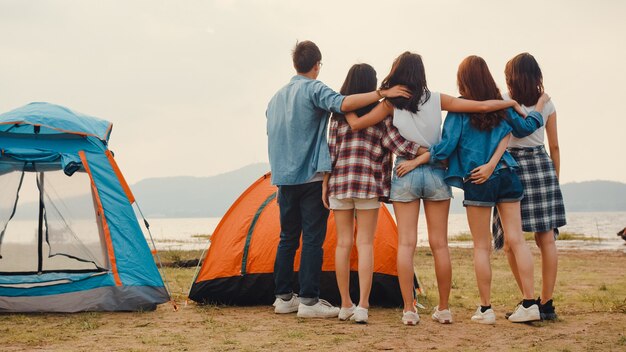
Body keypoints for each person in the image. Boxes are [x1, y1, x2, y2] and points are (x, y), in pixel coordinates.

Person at [345, 52, 525, 325]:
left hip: (406, 170)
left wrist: (360, 102)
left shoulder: (390, 104)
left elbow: (357, 123)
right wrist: (508, 101)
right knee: (440, 245)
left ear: (397, 72)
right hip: (437, 171)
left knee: (406, 244)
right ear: (422, 73)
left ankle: (409, 310)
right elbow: (480, 107)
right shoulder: (437, 99)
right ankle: (443, 309)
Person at [397, 55, 549, 324]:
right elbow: (527, 127)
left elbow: (444, 148)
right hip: (508, 173)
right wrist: (539, 105)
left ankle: (486, 309)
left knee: (482, 246)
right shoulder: (502, 106)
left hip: (477, 179)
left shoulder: (460, 111)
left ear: (462, 81)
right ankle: (530, 303)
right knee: (517, 239)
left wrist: (418, 159)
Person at [266, 40, 410, 318]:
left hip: (284, 178)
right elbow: (343, 104)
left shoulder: (275, 98)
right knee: (312, 239)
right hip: (310, 178)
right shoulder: (314, 88)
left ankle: (283, 298)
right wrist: (382, 93)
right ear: (317, 65)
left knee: (287, 238)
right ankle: (309, 301)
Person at [322, 63, 423, 324]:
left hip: (340, 185)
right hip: (368, 185)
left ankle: (345, 304)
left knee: (343, 243)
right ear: (372, 85)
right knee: (365, 243)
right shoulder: (381, 115)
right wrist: (426, 151)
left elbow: (329, 153)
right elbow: (397, 144)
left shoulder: (337, 117)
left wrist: (325, 184)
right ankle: (363, 306)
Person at [492, 52, 566, 321]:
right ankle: (546, 304)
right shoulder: (546, 104)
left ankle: (529, 300)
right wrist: (554, 178)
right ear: (537, 75)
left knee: (512, 241)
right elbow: (555, 146)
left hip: (510, 167)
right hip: (541, 165)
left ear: (510, 77)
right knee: (546, 240)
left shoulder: (502, 101)